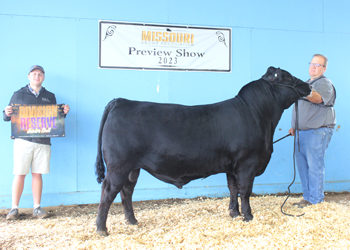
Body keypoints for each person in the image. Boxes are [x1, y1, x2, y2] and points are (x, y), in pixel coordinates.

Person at [3, 65, 70, 220]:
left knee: (37, 174)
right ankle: (14, 209)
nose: (36, 76)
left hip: (43, 141)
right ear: (28, 76)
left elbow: (55, 119)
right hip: (22, 140)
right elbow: (8, 117)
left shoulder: (50, 96)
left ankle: (37, 207)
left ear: (43, 77)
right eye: (34, 74)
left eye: (39, 74)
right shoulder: (18, 95)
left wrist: (64, 112)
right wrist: (6, 113)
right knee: (19, 173)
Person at [289, 54, 336, 208]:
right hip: (301, 132)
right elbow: (301, 107)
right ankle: (307, 197)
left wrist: (302, 89)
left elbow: (317, 99)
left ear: (324, 68)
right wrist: (294, 126)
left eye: (317, 64)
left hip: (317, 132)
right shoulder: (306, 83)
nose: (313, 67)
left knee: (315, 166)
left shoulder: (324, 83)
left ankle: (315, 200)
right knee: (303, 166)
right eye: (312, 63)